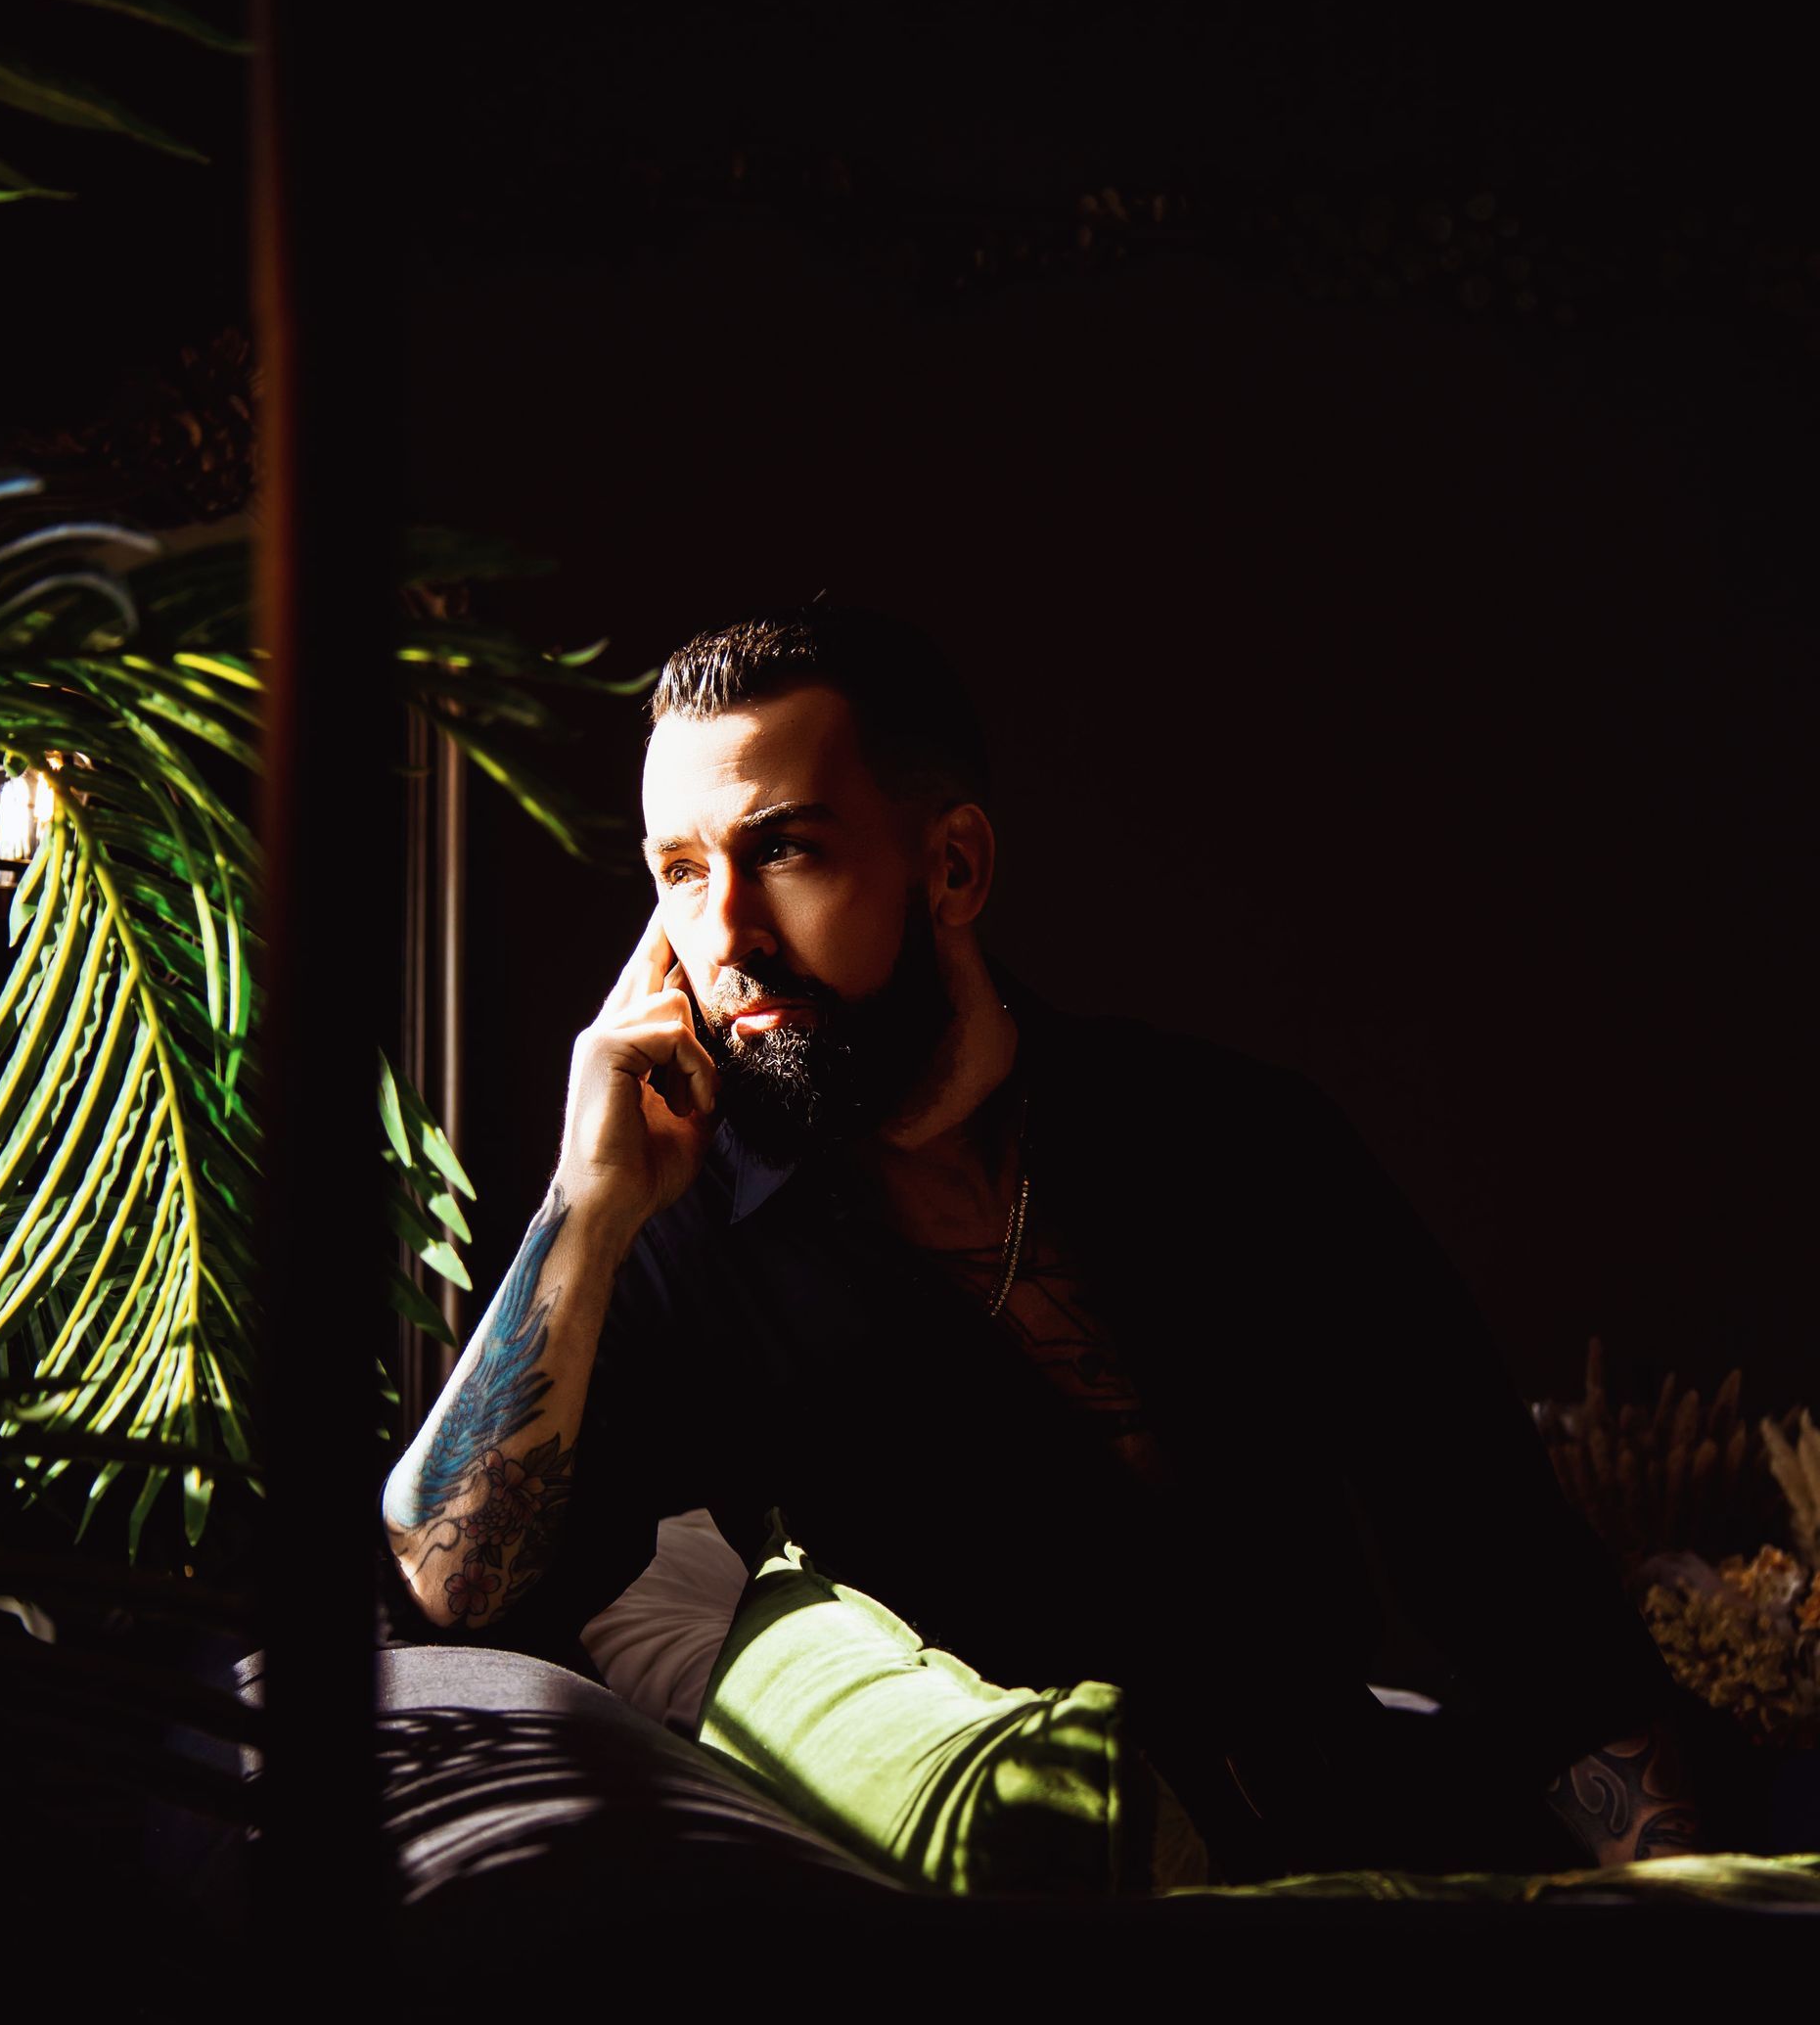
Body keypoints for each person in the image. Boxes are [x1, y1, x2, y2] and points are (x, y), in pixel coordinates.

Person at [382, 606, 1694, 1878]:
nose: (723, 935)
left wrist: (1707, 1906)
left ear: (952, 866)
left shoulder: (1242, 1141)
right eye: (679, 872)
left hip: (1370, 1858)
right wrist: (585, 1205)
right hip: (1033, 1946)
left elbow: (1526, 1601)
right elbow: (457, 1587)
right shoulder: (688, 1245)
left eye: (785, 851)